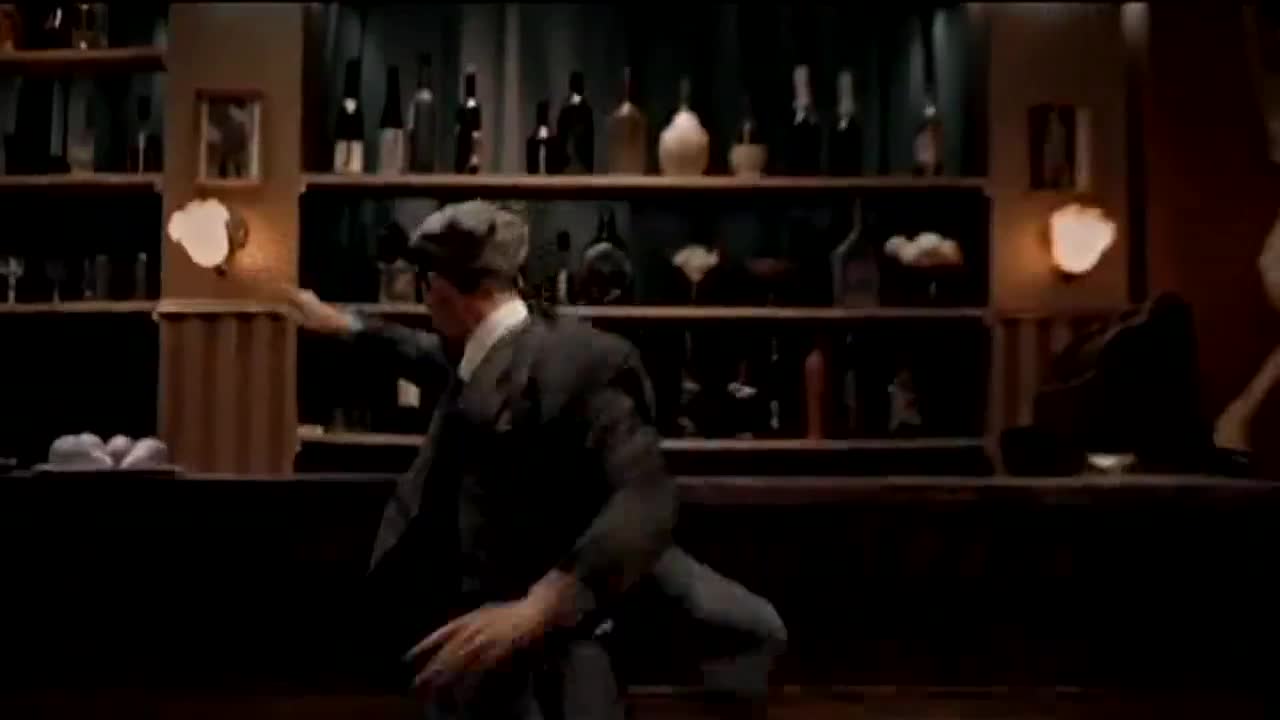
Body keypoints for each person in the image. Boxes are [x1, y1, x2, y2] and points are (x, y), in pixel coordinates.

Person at [289, 201, 787, 720]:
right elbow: (424, 355)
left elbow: (646, 496)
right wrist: (344, 324)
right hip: (469, 622)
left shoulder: (586, 361)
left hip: (555, 637)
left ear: (437, 289)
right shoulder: (488, 348)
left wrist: (543, 604)